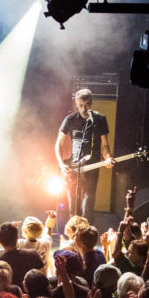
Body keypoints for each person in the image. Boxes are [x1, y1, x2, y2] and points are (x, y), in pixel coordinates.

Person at [54, 88, 114, 219]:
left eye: (87, 105)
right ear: (76, 103)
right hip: (73, 166)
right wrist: (62, 164)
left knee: (88, 204)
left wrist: (108, 157)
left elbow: (105, 145)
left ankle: (86, 234)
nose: (84, 109)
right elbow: (59, 144)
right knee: (73, 204)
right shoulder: (70, 119)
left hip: (92, 166)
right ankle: (73, 233)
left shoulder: (100, 119)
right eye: (80, 105)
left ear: (91, 103)